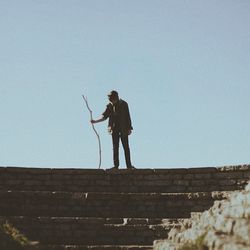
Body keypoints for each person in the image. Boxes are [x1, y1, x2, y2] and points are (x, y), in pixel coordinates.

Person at [91, 90, 135, 170]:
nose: (112, 101)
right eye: (110, 100)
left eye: (112, 100)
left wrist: (129, 128)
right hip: (114, 129)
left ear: (117, 98)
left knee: (126, 147)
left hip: (123, 128)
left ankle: (129, 166)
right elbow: (104, 116)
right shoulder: (110, 106)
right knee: (115, 147)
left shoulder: (124, 104)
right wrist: (95, 121)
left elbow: (128, 116)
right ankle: (116, 165)